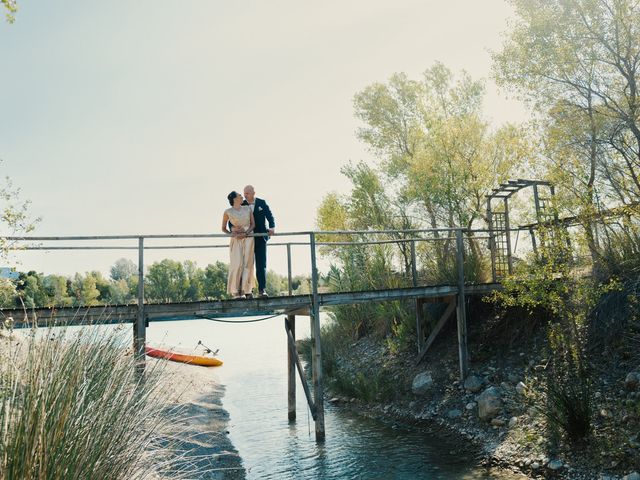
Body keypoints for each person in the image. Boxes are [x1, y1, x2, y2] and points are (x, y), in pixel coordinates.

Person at [239, 185, 275, 297]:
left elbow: (270, 216)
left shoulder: (261, 203)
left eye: (247, 193)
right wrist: (233, 229)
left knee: (261, 265)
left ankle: (262, 290)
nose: (245, 195)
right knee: (247, 265)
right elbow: (233, 219)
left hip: (261, 238)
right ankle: (247, 291)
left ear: (253, 193)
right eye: (244, 193)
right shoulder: (242, 205)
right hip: (247, 239)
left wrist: (272, 227)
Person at [222, 191, 255, 299]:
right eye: (240, 196)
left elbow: (253, 224)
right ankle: (235, 291)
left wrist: (246, 233)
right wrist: (232, 233)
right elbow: (223, 228)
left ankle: (246, 290)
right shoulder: (227, 212)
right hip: (236, 240)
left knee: (248, 264)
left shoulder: (247, 208)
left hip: (249, 237)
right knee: (237, 263)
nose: (242, 197)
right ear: (235, 199)